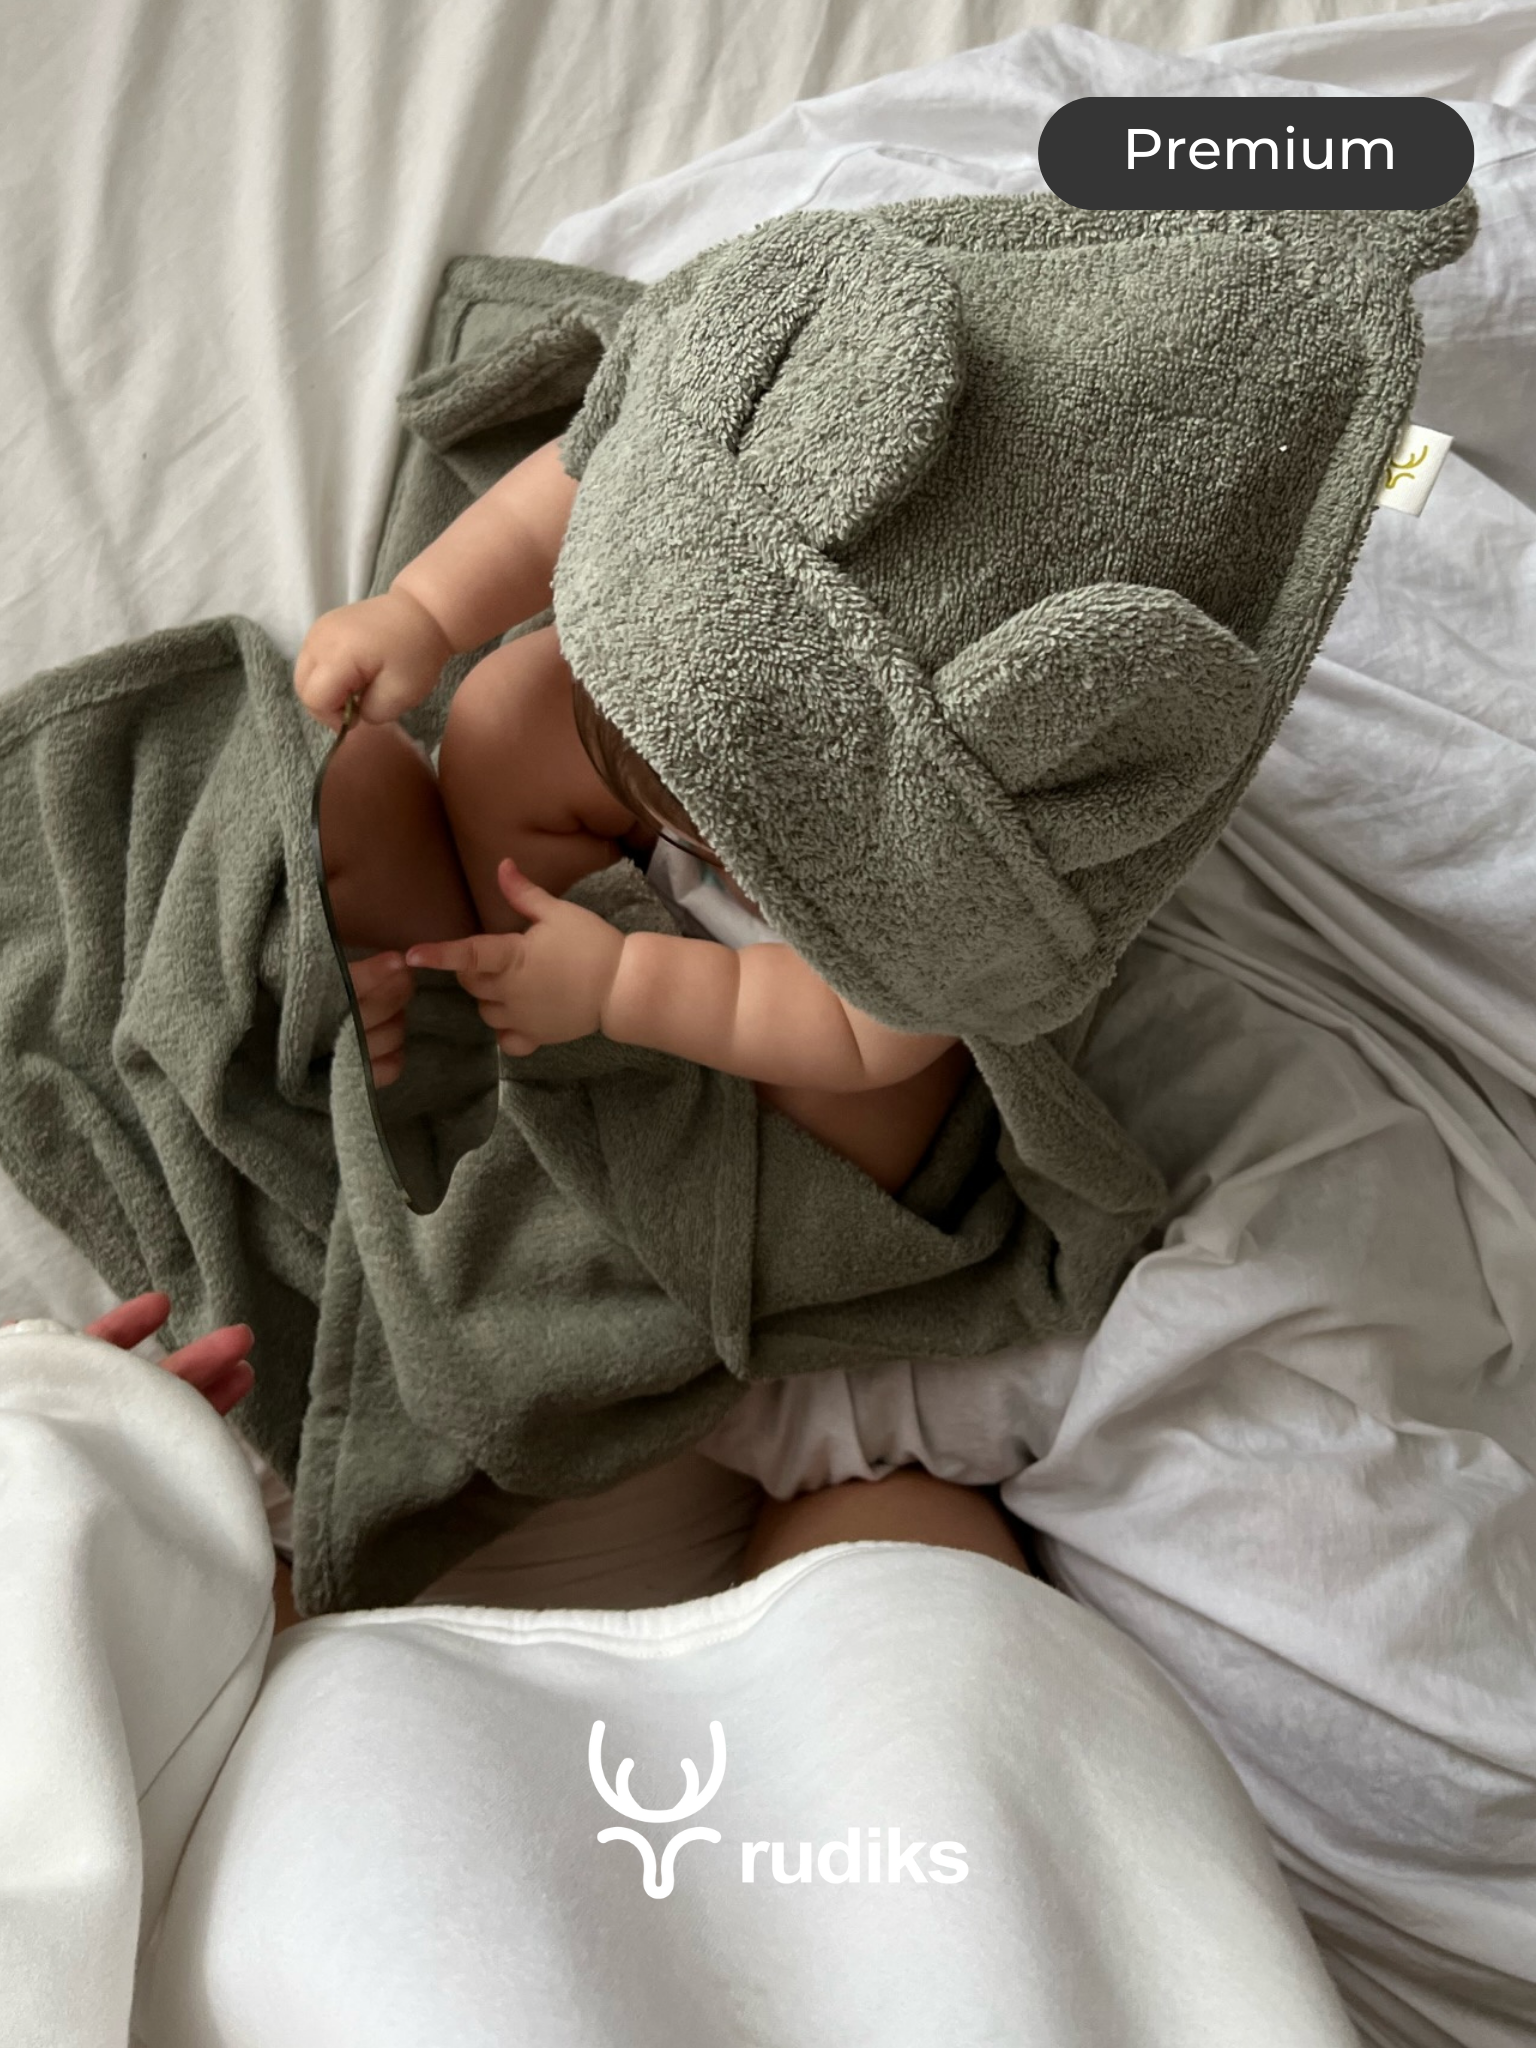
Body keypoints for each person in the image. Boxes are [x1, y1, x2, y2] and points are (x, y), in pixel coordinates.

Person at [297, 438, 970, 1198]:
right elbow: (608, 451)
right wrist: (425, 611)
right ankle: (498, 975)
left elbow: (861, 1035)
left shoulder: (973, 815)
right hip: (705, 672)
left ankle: (579, 1033)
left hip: (851, 1002)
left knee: (850, 1143)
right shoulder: (772, 417)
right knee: (502, 713)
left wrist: (620, 986)